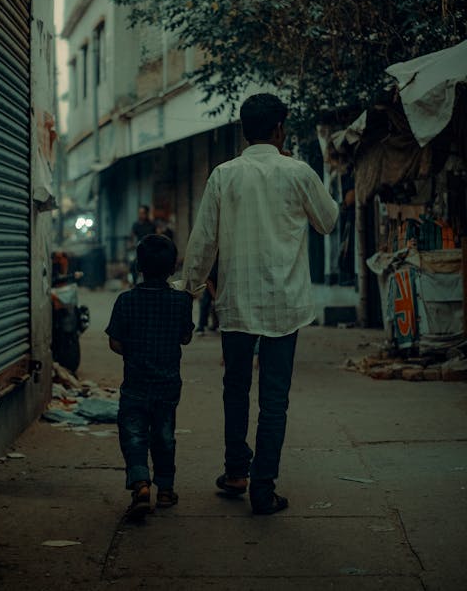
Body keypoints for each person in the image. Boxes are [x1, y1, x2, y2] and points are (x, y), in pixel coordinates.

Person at [182, 92, 339, 515]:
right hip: (286, 305)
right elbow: (327, 221)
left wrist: (189, 286)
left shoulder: (223, 175)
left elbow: (203, 242)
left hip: (237, 302)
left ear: (243, 131)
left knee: (235, 388)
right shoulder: (299, 172)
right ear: (279, 129)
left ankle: (236, 471)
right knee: (275, 398)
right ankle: (263, 489)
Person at [106, 234, 194, 519]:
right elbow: (185, 337)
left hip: (135, 384)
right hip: (168, 385)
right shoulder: (181, 302)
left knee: (133, 435)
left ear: (138, 267)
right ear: (172, 269)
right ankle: (166, 490)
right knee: (164, 436)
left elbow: (115, 342)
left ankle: (141, 484)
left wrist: (134, 352)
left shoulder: (125, 301)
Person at [128, 205, 155, 284]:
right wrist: (131, 244)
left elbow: (157, 235)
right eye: (140, 213)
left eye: (143, 213)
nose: (141, 215)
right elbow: (131, 236)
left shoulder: (151, 225)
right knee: (134, 265)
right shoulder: (136, 225)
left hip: (151, 250)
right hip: (140, 248)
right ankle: (134, 283)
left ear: (146, 214)